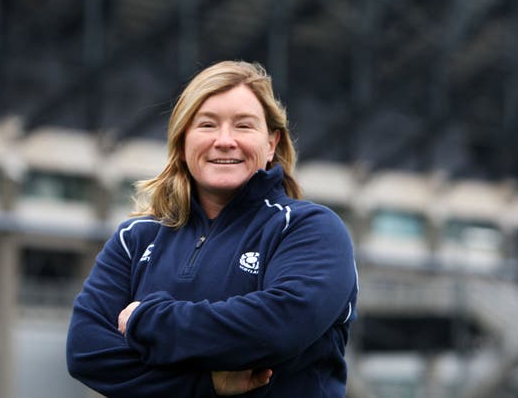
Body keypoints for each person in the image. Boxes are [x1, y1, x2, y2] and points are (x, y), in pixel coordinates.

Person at [66, 60, 359, 397]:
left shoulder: (309, 229)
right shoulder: (134, 239)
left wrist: (145, 322)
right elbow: (86, 351)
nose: (224, 140)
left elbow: (276, 329)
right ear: (182, 141)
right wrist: (208, 385)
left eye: (243, 126)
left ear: (271, 144)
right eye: (207, 125)